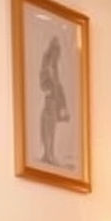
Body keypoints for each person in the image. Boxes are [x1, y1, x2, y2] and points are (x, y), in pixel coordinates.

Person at [39, 34, 69, 167]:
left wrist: (63, 105)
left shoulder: (54, 69)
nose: (58, 56)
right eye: (57, 52)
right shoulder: (47, 66)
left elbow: (58, 86)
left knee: (52, 128)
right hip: (50, 101)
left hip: (54, 101)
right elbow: (44, 81)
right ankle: (48, 154)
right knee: (48, 128)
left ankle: (49, 153)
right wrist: (48, 90)